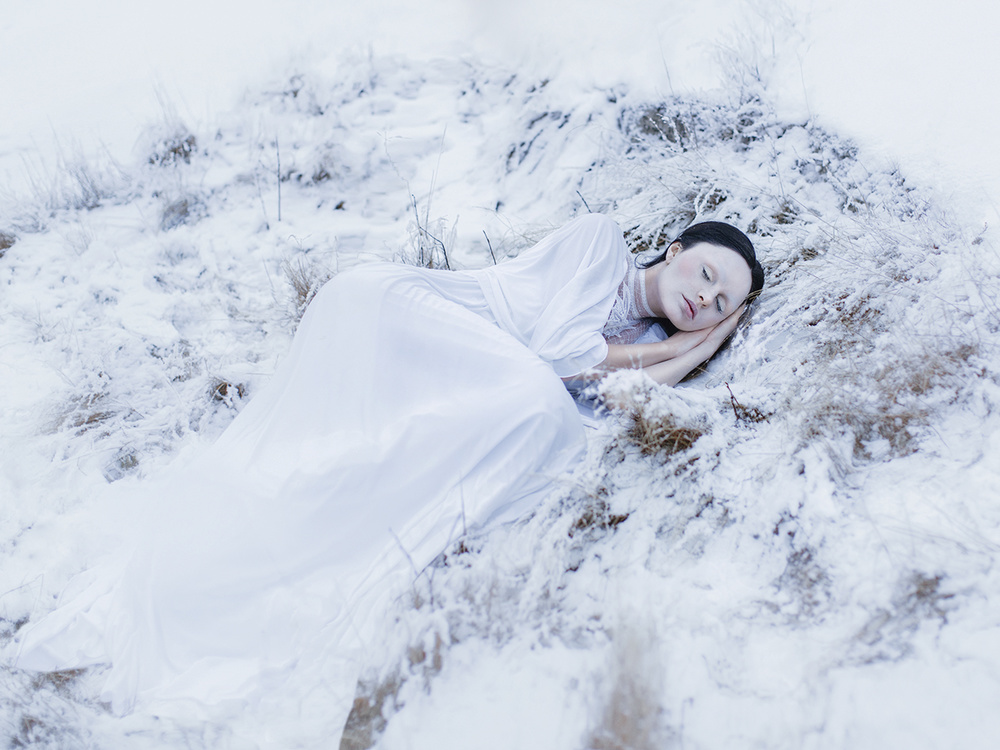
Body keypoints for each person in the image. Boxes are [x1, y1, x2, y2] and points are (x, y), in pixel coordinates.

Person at [7, 213, 762, 741]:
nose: (705, 297)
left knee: (349, 479)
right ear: (672, 248)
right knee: (537, 402)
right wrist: (680, 351)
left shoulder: (646, 338)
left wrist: (689, 353)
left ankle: (237, 576)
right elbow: (563, 356)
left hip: (466, 374)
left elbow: (601, 395)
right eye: (705, 273)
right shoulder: (600, 244)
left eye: (721, 304)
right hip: (404, 312)